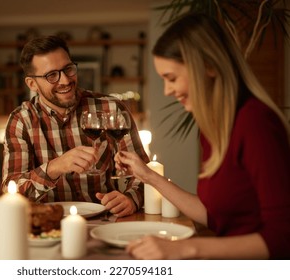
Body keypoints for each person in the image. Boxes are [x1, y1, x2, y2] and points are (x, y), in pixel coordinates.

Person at [115, 13, 290, 259]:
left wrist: (186, 248)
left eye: (172, 78)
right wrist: (147, 176)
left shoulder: (255, 122)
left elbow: (283, 237)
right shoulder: (213, 127)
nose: (167, 91)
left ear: (208, 66)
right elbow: (213, 215)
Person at [1, 35, 149, 217]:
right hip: (48, 226)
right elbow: (12, 191)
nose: (65, 80)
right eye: (51, 75)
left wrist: (131, 199)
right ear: (32, 84)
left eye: (68, 69)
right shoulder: (20, 120)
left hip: (107, 220)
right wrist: (55, 167)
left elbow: (144, 173)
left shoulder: (110, 108)